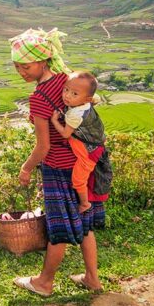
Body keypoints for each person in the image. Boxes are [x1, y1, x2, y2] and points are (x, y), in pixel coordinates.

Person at [10, 28, 105, 297]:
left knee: (59, 226)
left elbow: (44, 146)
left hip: (58, 168)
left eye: (26, 66)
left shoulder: (40, 97)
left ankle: (44, 282)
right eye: (17, 67)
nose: (21, 72)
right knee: (83, 221)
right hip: (82, 163)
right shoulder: (67, 80)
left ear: (42, 61)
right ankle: (92, 279)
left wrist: (26, 168)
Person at [49, 71, 106, 214]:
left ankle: (85, 204)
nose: (67, 95)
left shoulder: (76, 114)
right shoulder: (86, 101)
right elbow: (95, 97)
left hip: (89, 153)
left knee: (78, 180)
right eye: (66, 90)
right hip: (93, 145)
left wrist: (55, 120)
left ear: (86, 99)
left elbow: (65, 133)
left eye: (74, 94)